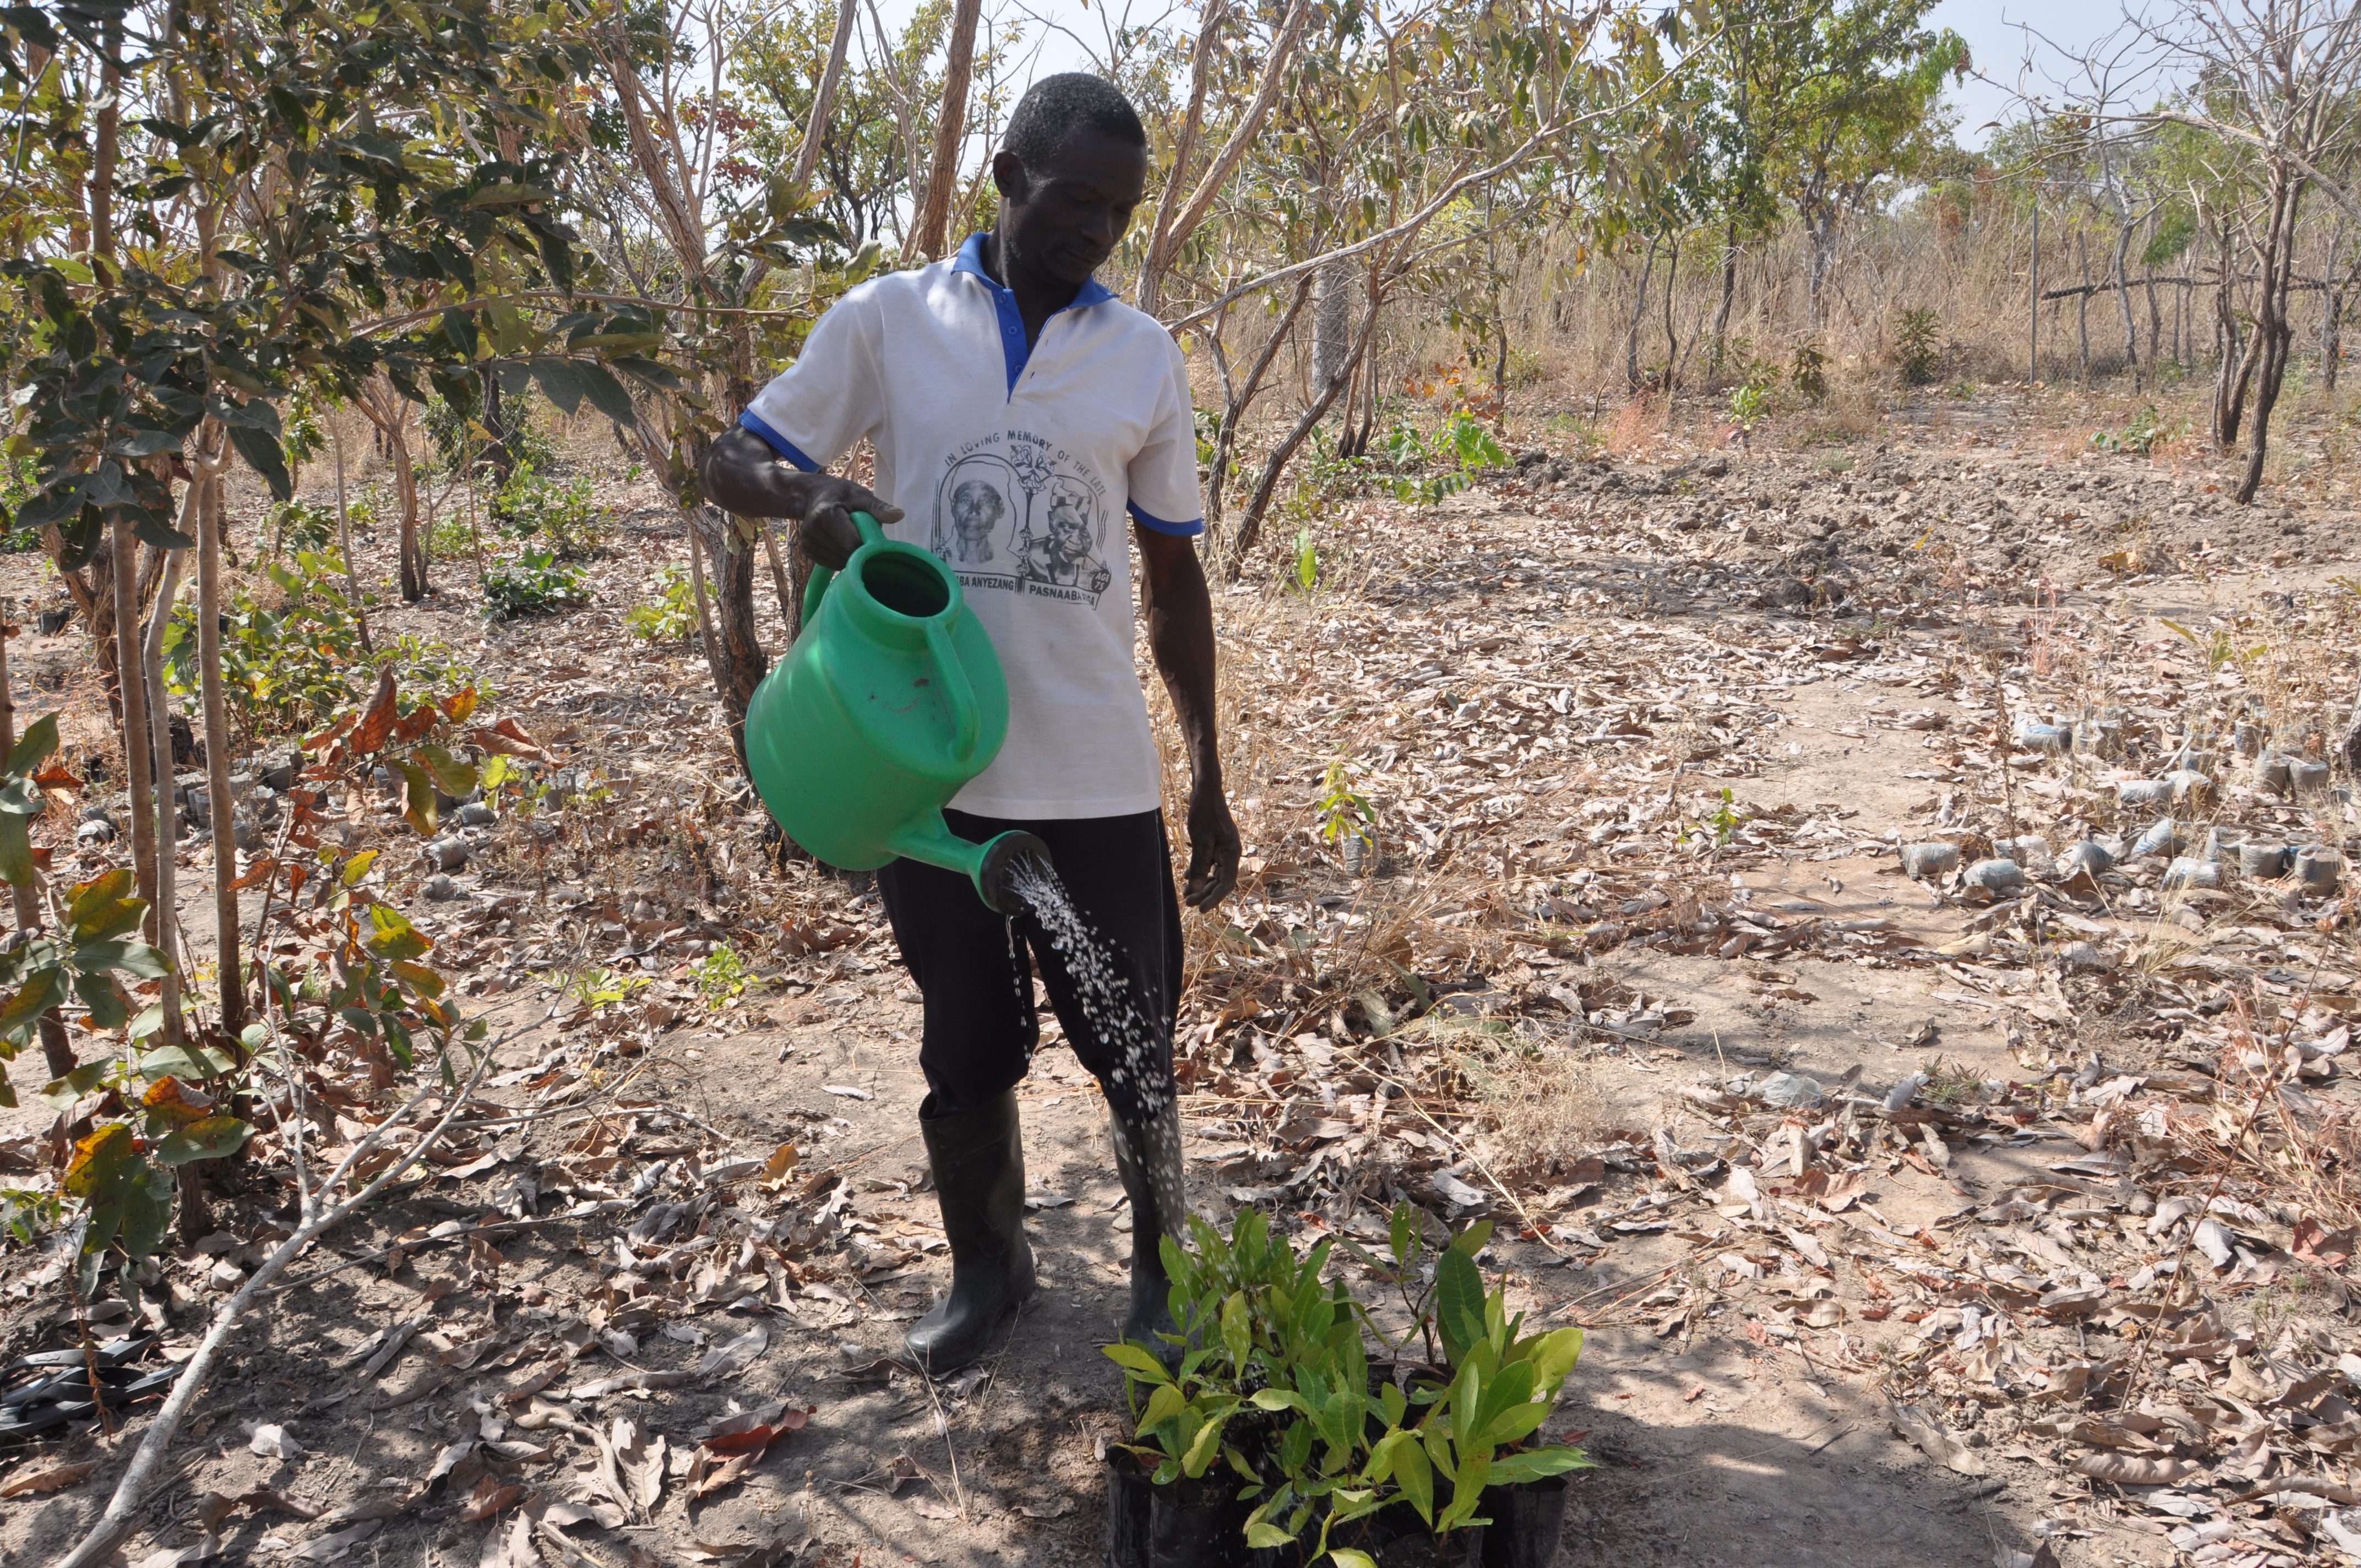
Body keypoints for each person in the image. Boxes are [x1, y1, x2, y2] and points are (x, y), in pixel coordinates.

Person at [702, 73, 1240, 1374]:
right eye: (1073, 199)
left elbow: (1173, 582)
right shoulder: (891, 321)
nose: (1095, 230)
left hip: (1094, 766)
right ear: (1006, 174)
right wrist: (813, 495)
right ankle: (988, 1270)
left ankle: (1162, 1280)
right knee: (965, 1045)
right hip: (927, 770)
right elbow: (731, 459)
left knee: (1134, 1042)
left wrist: (1209, 774)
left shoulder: (1142, 357)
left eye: (1119, 209)